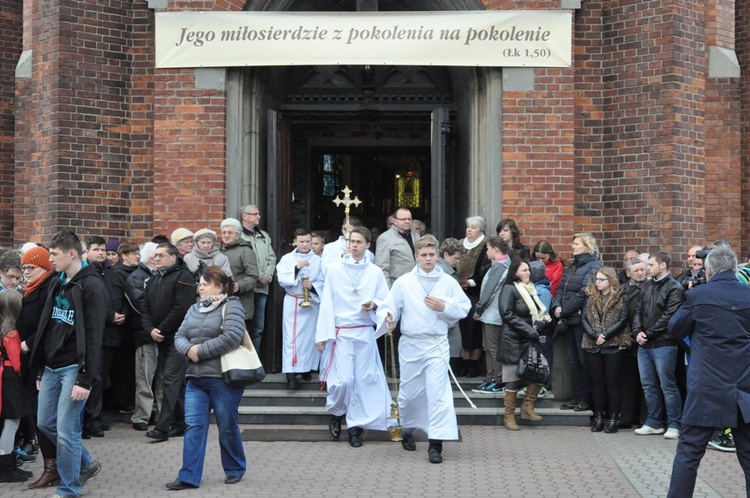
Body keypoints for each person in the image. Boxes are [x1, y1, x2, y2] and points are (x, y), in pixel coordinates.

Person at [666, 246, 750, 497]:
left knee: (689, 451)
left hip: (707, 386)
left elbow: (675, 328)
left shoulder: (698, 295)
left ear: (709, 270)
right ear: (735, 269)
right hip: (745, 386)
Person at [380, 234, 471, 463]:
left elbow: (464, 307)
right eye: (424, 255)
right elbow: (389, 307)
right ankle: (407, 429)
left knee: (437, 393)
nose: (428, 259)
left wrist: (444, 306)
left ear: (438, 256)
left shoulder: (448, 282)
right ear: (416, 256)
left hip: (436, 344)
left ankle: (436, 444)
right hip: (411, 344)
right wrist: (388, 317)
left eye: (432, 255)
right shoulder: (404, 282)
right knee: (409, 393)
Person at [27, 230, 105, 497]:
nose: (50, 259)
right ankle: (87, 463)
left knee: (66, 430)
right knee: (45, 423)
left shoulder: (92, 285)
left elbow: (94, 336)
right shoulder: (57, 282)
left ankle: (69, 488)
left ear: (72, 254)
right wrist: (39, 366)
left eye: (55, 254)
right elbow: (46, 326)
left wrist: (86, 378)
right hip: (50, 366)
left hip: (75, 368)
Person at [166, 267, 246, 490]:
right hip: (195, 379)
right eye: (199, 283)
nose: (199, 287)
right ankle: (188, 476)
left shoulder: (232, 306)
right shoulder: (194, 308)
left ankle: (235, 468)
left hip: (223, 379)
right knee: (193, 426)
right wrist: (189, 348)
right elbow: (179, 336)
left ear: (219, 287)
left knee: (227, 425)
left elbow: (232, 337)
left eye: (205, 283)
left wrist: (199, 351)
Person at [315, 227, 392, 448]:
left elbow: (384, 299)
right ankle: (337, 413)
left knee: (363, 380)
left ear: (368, 245)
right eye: (352, 241)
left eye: (359, 241)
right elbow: (327, 302)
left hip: (364, 332)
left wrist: (375, 305)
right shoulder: (334, 270)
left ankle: (355, 428)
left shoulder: (375, 272)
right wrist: (323, 335)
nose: (355, 245)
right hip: (341, 333)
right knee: (343, 381)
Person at [142, 243, 197, 442]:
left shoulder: (184, 277)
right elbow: (145, 307)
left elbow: (181, 309)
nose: (155, 258)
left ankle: (163, 427)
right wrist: (150, 330)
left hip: (179, 338)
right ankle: (180, 423)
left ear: (173, 258)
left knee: (171, 380)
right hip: (160, 336)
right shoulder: (154, 279)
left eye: (161, 255)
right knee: (176, 382)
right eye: (155, 255)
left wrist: (162, 329)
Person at [17, 247, 58, 489]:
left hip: (43, 361)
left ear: (44, 267)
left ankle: (54, 467)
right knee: (38, 415)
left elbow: (49, 323)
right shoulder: (32, 289)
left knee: (44, 418)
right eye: (24, 269)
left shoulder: (48, 289)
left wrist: (29, 343)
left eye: (30, 268)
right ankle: (51, 466)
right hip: (30, 360)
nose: (26, 273)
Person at [632, 252, 684, 439]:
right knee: (648, 385)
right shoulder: (646, 285)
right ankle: (653, 422)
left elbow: (670, 315)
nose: (647, 268)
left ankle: (674, 424)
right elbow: (638, 310)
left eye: (651, 264)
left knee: (667, 385)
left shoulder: (674, 288)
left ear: (663, 265)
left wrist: (649, 333)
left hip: (664, 343)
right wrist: (637, 332)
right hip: (644, 344)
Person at [497, 259, 552, 431]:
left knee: (540, 371)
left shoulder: (532, 290)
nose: (528, 273)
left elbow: (535, 312)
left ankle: (527, 407)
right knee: (512, 378)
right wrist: (529, 329)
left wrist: (541, 322)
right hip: (513, 339)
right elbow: (507, 314)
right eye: (524, 270)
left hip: (529, 338)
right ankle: (509, 415)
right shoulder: (509, 289)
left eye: (528, 270)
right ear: (515, 272)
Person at [552, 232, 602, 412]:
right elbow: (560, 288)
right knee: (572, 361)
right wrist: (557, 305)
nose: (572, 246)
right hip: (569, 320)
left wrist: (564, 310)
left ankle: (585, 398)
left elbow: (585, 292)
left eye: (576, 244)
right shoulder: (573, 266)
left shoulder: (593, 266)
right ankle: (576, 396)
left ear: (586, 246)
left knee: (583, 361)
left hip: (581, 321)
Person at [581, 267, 631, 433]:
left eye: (601, 279)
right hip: (593, 344)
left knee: (613, 383)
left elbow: (622, 320)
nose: (598, 282)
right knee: (597, 383)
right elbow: (584, 319)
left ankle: (613, 418)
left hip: (614, 344)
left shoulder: (620, 298)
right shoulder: (590, 298)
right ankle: (599, 417)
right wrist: (595, 335)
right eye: (597, 279)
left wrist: (605, 334)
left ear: (610, 280)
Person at [276, 228, 324, 389]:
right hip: (294, 302)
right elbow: (282, 278)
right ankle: (291, 374)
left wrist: (313, 287)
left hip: (311, 303)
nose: (305, 244)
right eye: (301, 241)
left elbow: (324, 281)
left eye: (308, 241)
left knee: (310, 338)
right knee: (292, 338)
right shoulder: (287, 258)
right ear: (295, 241)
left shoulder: (318, 260)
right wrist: (296, 269)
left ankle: (306, 369)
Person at [125, 242, 163, 432]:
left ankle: (164, 415)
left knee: (163, 378)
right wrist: (155, 325)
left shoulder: (163, 276)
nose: (159, 259)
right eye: (157, 256)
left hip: (164, 333)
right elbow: (140, 305)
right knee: (145, 378)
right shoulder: (136, 278)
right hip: (145, 333)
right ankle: (142, 416)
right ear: (151, 258)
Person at [472, 235, 510, 394]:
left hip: (492, 314)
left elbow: (489, 291)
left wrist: (479, 309)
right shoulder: (500, 264)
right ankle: (491, 377)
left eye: (487, 249)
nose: (486, 252)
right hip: (491, 313)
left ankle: (498, 379)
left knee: (492, 347)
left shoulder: (499, 266)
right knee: (488, 347)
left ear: (495, 249)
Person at [0, 289, 30, 482]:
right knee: (12, 422)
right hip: (11, 379)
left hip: (3, 375)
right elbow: (17, 362)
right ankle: (6, 466)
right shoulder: (11, 334)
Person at [240, 204, 276, 354]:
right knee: (243, 327)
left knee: (258, 328)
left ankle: (255, 363)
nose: (259, 217)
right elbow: (245, 261)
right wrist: (260, 276)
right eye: (255, 214)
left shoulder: (264, 236)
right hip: (246, 288)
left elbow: (271, 257)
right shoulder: (239, 236)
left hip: (262, 288)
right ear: (245, 216)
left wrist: (268, 274)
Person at [456, 216, 490, 378]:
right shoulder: (460, 244)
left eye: (474, 227)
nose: (469, 229)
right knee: (462, 328)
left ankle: (473, 364)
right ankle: (464, 361)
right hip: (459, 291)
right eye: (468, 226)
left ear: (481, 230)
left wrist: (472, 282)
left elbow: (487, 269)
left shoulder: (485, 245)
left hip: (476, 292)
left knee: (474, 329)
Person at [221, 218, 260, 349]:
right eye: (224, 232)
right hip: (220, 303)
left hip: (241, 303)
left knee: (242, 342)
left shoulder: (245, 251)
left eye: (230, 233)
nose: (226, 235)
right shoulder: (217, 251)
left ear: (238, 235)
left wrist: (239, 285)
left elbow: (253, 276)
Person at [620, 258, 647, 430]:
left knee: (645, 383)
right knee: (627, 382)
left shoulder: (649, 289)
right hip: (625, 341)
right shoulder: (622, 290)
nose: (640, 273)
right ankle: (627, 416)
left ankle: (644, 418)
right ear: (628, 272)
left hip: (643, 339)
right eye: (636, 270)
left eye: (642, 270)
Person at [436, 238, 464, 368]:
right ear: (445, 255)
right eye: (456, 258)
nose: (457, 261)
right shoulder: (444, 273)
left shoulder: (445, 271)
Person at [375, 207, 419, 287]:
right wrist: (387, 291)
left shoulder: (416, 236)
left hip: (416, 284)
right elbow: (382, 268)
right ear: (395, 221)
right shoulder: (385, 238)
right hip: (396, 285)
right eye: (403, 219)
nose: (407, 221)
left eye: (409, 219)